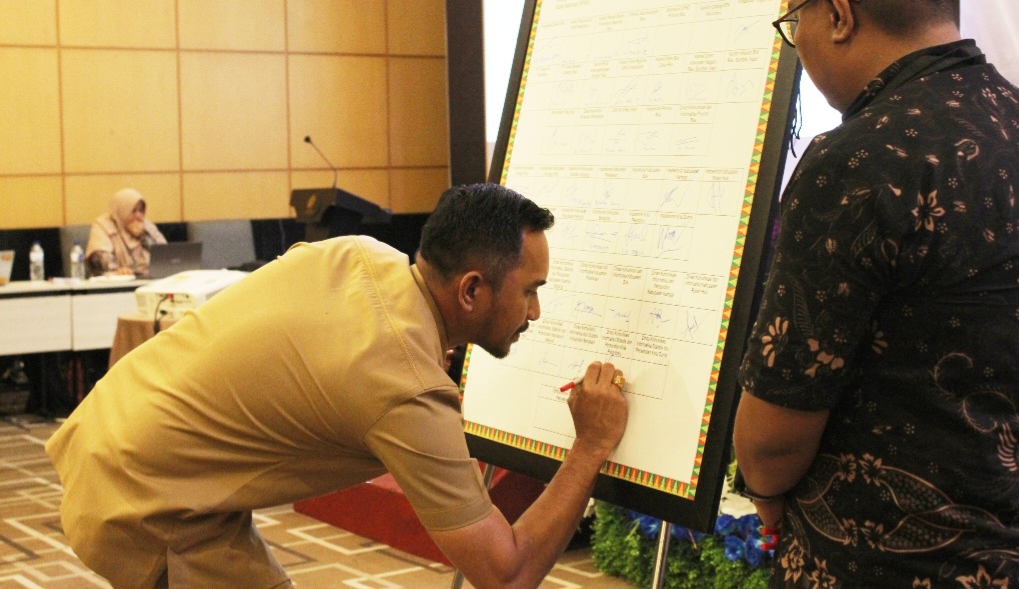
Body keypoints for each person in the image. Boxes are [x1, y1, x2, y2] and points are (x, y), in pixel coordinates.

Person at [46, 183, 629, 589]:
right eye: (529, 290)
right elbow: (507, 574)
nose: (536, 312)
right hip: (148, 501)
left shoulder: (359, 254)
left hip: (111, 428)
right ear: (471, 291)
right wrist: (589, 447)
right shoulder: (406, 390)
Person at [732, 0, 1019, 587]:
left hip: (881, 565)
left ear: (836, 11)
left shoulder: (856, 161)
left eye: (794, 20)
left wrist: (764, 492)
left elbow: (772, 438)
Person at [85, 187, 166, 278]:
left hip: (149, 280)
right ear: (122, 210)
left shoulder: (146, 226)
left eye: (141, 210)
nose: (138, 216)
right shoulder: (103, 225)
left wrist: (143, 236)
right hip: (116, 284)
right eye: (133, 211)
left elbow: (164, 257)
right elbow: (100, 257)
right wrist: (117, 271)